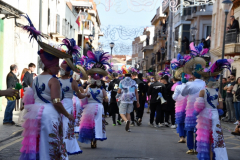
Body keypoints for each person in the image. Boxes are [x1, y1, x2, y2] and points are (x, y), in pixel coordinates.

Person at [19, 15, 76, 158]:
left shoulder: (36, 79)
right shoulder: (53, 80)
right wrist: (67, 114)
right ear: (51, 66)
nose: (58, 69)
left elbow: (31, 96)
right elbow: (56, 101)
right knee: (53, 142)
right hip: (50, 114)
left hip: (36, 113)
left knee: (39, 142)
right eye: (57, 66)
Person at [194, 59, 231, 160]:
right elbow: (221, 107)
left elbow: (198, 107)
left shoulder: (202, 91)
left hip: (204, 116)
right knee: (216, 138)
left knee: (205, 139)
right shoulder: (218, 92)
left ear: (205, 80)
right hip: (215, 115)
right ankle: (216, 157)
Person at [59, 39, 90, 155]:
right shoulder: (73, 82)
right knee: (67, 126)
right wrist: (86, 94)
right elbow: (80, 95)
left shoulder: (55, 80)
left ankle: (58, 145)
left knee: (59, 126)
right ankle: (66, 147)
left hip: (57, 105)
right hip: (67, 104)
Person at [78, 50, 109, 148]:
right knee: (97, 123)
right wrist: (104, 99)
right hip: (99, 107)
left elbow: (84, 96)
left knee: (89, 124)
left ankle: (91, 138)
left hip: (89, 107)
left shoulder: (88, 88)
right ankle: (95, 139)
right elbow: (106, 100)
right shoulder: (102, 89)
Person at [182, 64, 206, 155]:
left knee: (190, 129)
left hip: (191, 109)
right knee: (200, 129)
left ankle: (191, 148)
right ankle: (198, 148)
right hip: (203, 109)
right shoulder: (205, 84)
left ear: (193, 75)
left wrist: (184, 82)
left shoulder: (189, 84)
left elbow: (183, 94)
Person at [172, 73, 187, 143]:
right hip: (189, 106)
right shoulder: (191, 86)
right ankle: (185, 136)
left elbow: (174, 97)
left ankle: (182, 137)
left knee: (180, 122)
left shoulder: (178, 87)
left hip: (179, 106)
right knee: (187, 122)